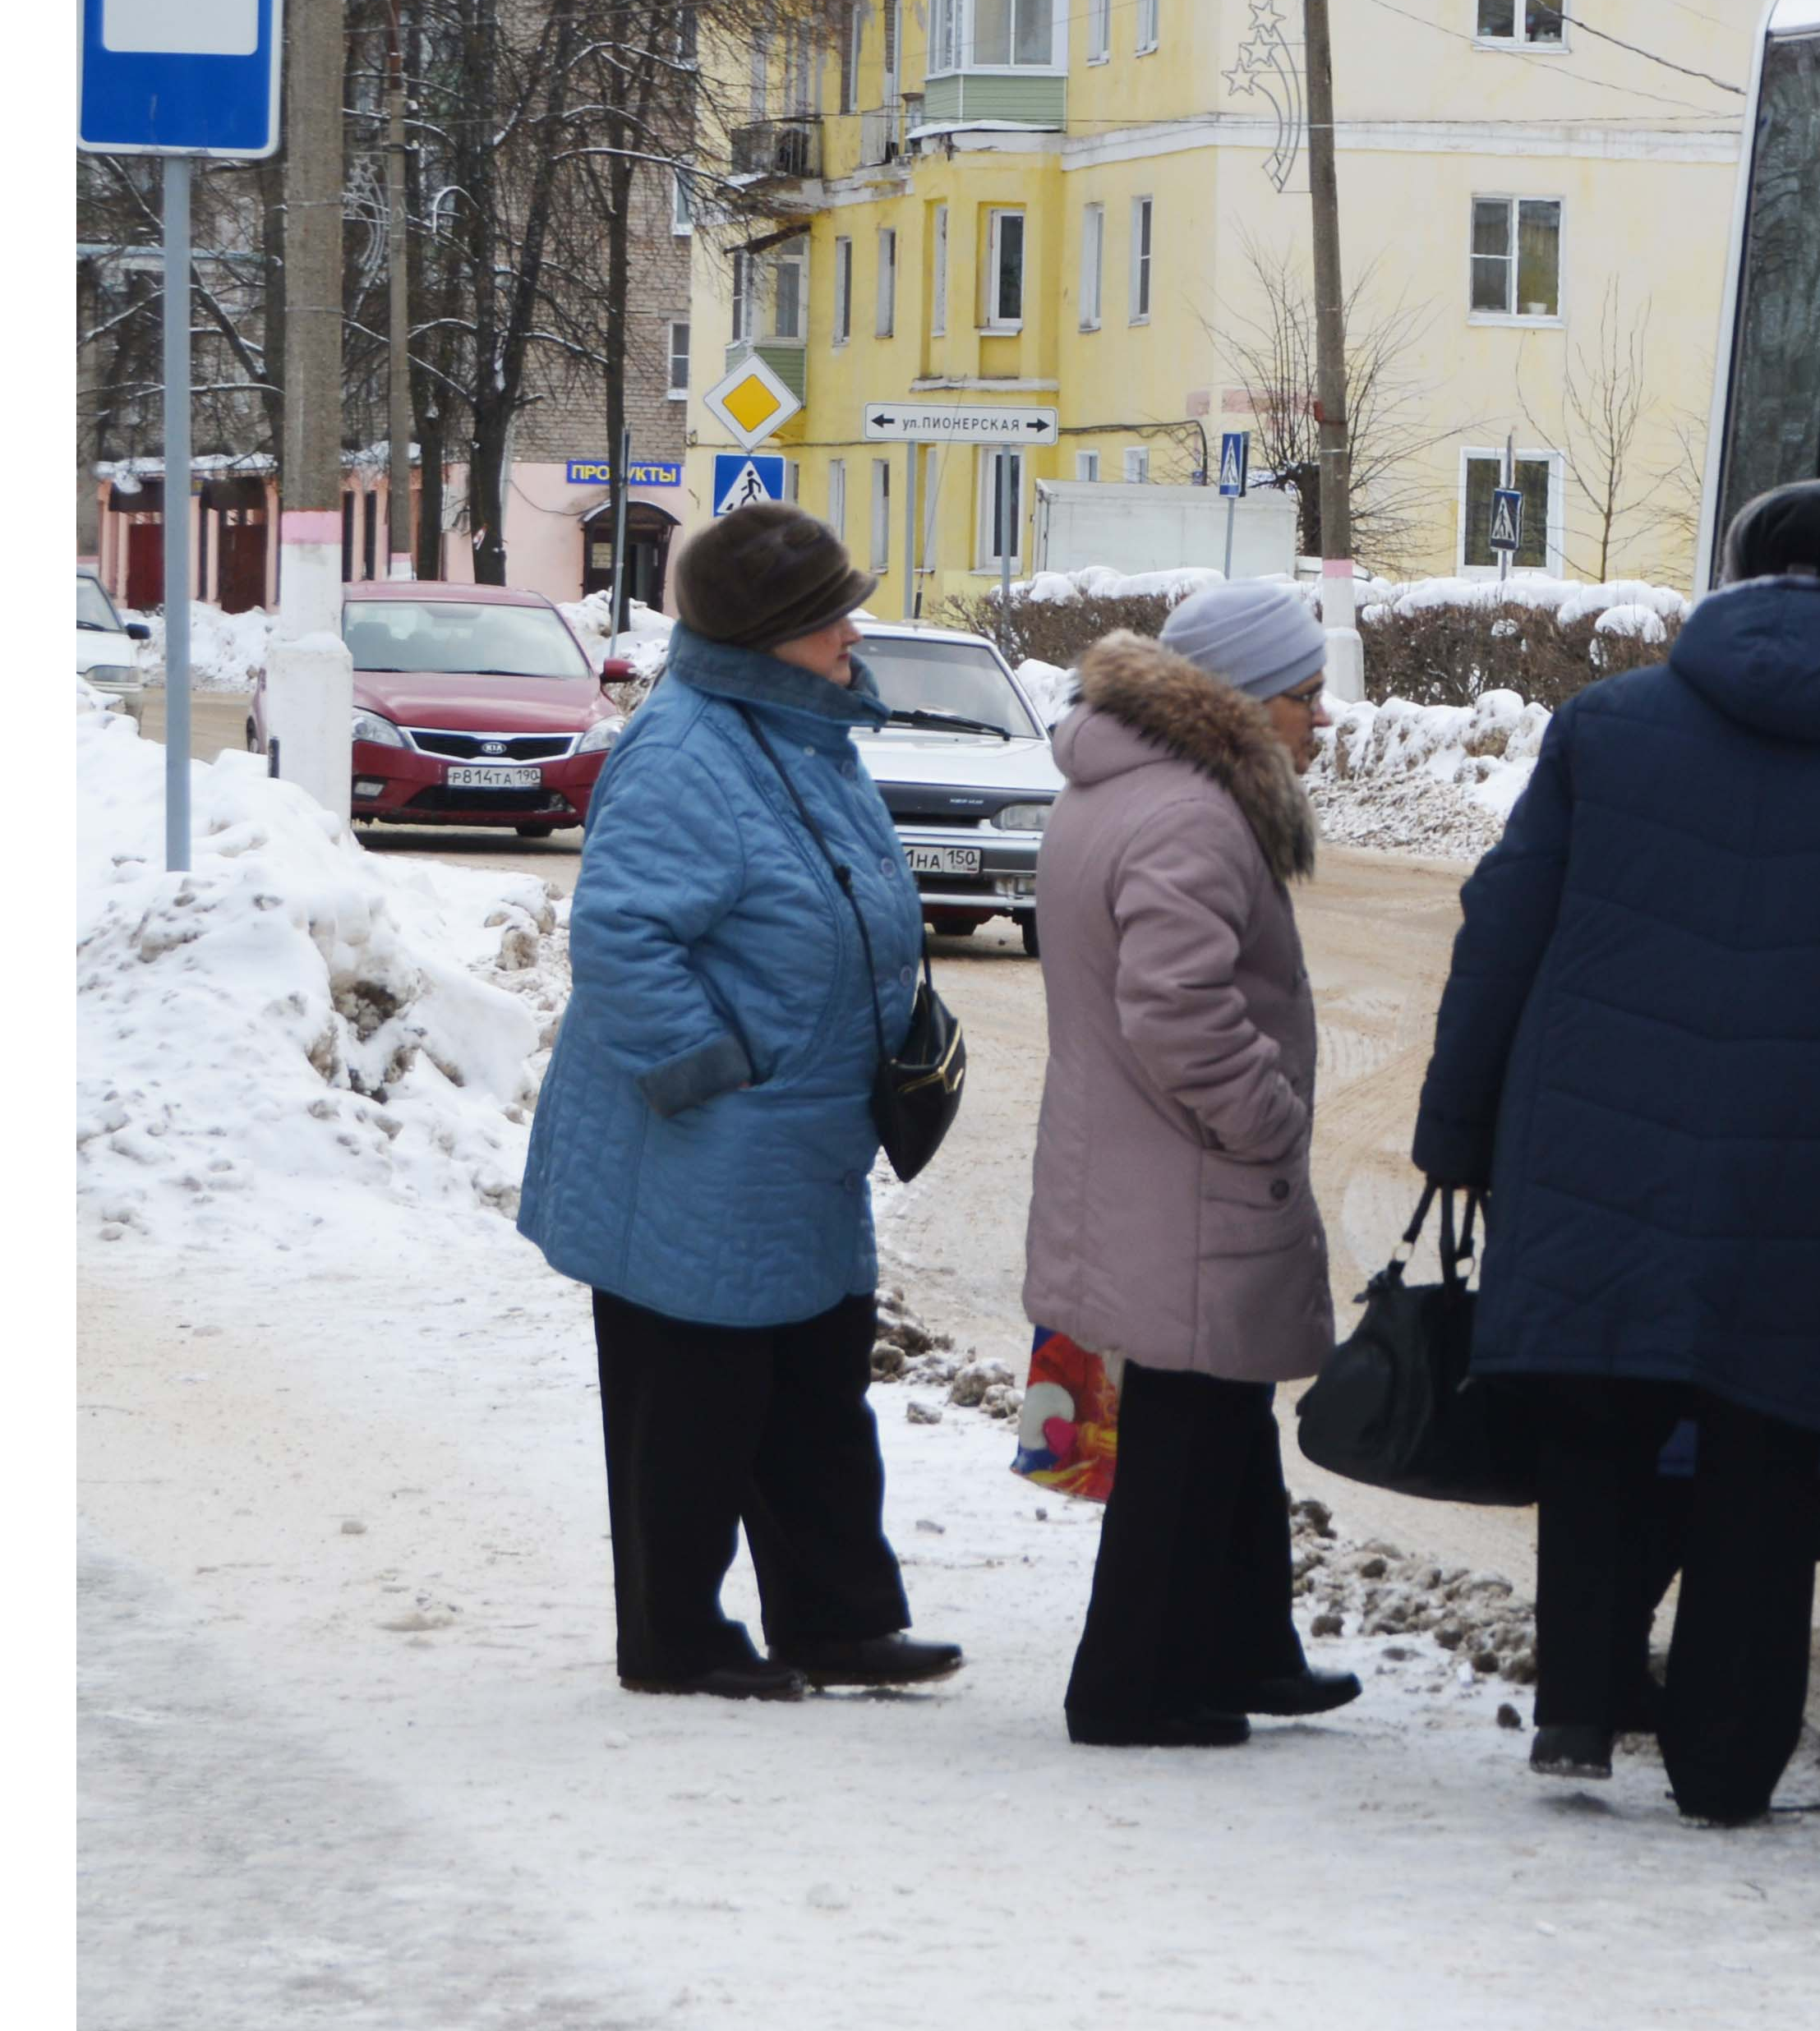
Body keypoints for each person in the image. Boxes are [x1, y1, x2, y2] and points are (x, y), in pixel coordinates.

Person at [1411, 476, 1820, 1821]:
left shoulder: (1606, 727)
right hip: (1809, 1177)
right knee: (1762, 1468)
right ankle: (1724, 1766)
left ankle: (1580, 1712)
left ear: (1732, 576)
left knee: (1596, 1437)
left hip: (1595, 1157)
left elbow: (1502, 931)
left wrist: (1460, 1127)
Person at [514, 502, 961, 1701]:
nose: (853, 629)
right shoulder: (682, 751)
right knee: (693, 1413)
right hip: (701, 1146)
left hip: (803, 1138)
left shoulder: (807, 738)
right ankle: (678, 1636)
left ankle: (837, 1619)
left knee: (816, 1393)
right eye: (831, 613)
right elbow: (621, 939)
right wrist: (714, 1078)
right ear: (774, 633)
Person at [1023, 582, 1360, 1751]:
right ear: (1238, 704)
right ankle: (1131, 1689)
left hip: (1138, 1168)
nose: (1322, 720)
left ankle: (1236, 1652)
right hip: (1187, 1177)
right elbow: (1176, 1010)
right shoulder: (1191, 816)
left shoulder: (1122, 787)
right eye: (1304, 697)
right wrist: (1264, 1120)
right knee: (1181, 1434)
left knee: (1218, 1421)